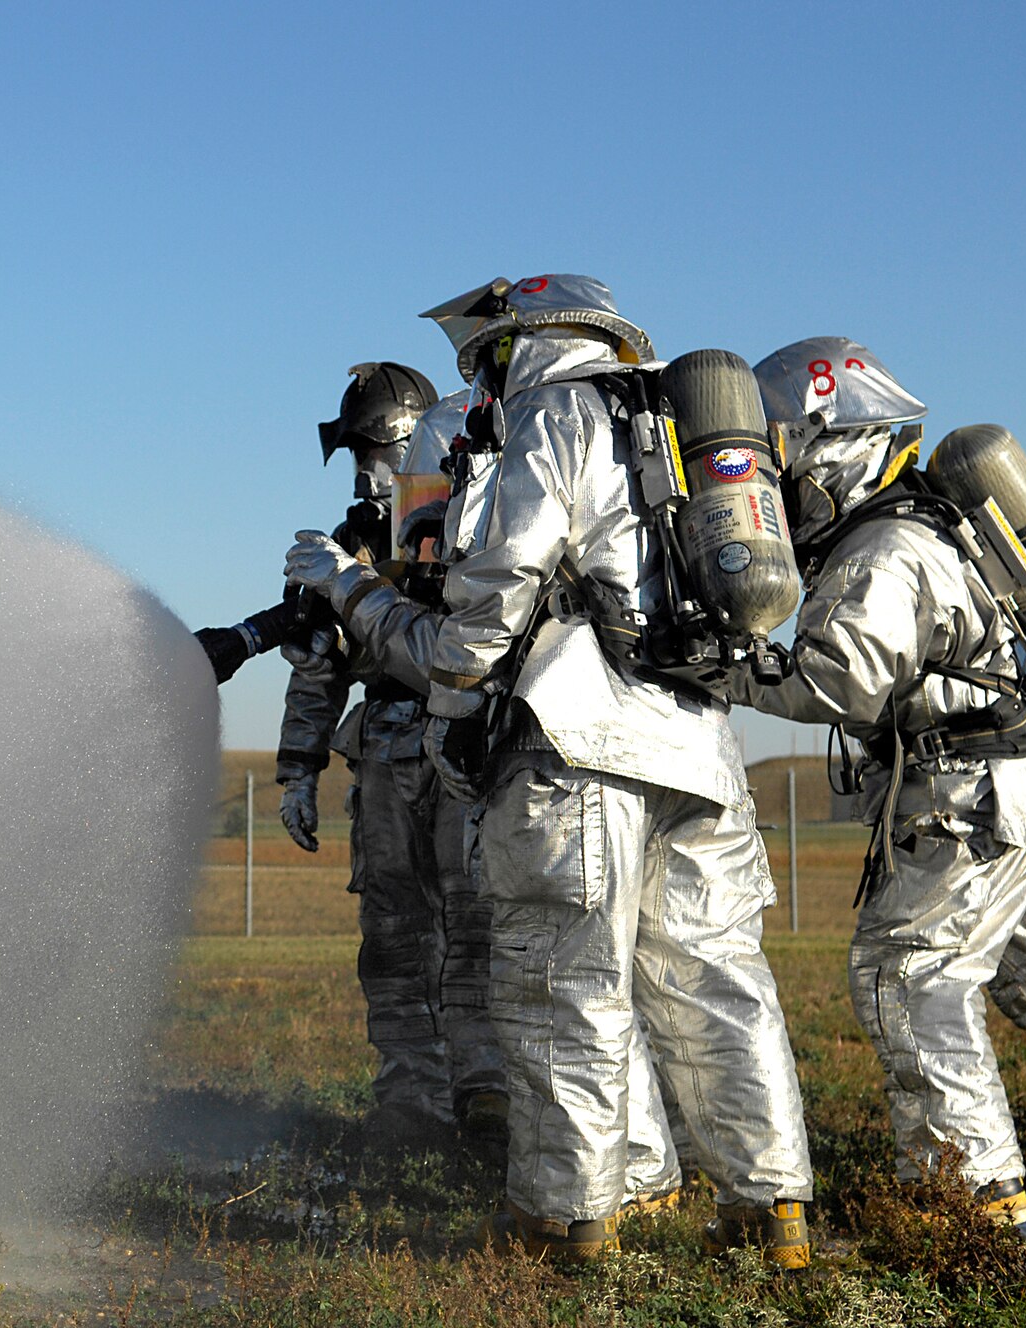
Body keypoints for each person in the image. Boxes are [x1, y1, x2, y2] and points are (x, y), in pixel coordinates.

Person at [295, 275, 812, 1265]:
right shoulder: (669, 414)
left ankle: (565, 1215)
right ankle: (771, 1207)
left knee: (559, 980)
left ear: (515, 342)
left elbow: (494, 593)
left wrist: (406, 645)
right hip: (698, 744)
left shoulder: (548, 413)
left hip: (573, 743)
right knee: (716, 981)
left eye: (481, 358)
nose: (478, 382)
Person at [736, 338, 1026, 1226]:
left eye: (780, 451)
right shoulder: (932, 524)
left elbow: (841, 679)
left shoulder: (882, 546)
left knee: (909, 976)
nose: (771, 480)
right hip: (1017, 784)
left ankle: (974, 1200)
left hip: (963, 794)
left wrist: (721, 669)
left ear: (832, 441)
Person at [277, 372, 510, 1142]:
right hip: (381, 755)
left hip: (461, 749)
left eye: (377, 449)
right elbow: (316, 668)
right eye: (358, 453)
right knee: (393, 936)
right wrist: (297, 772)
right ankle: (409, 1101)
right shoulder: (346, 546)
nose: (366, 468)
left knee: (471, 927)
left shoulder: (478, 526)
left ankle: (486, 1094)